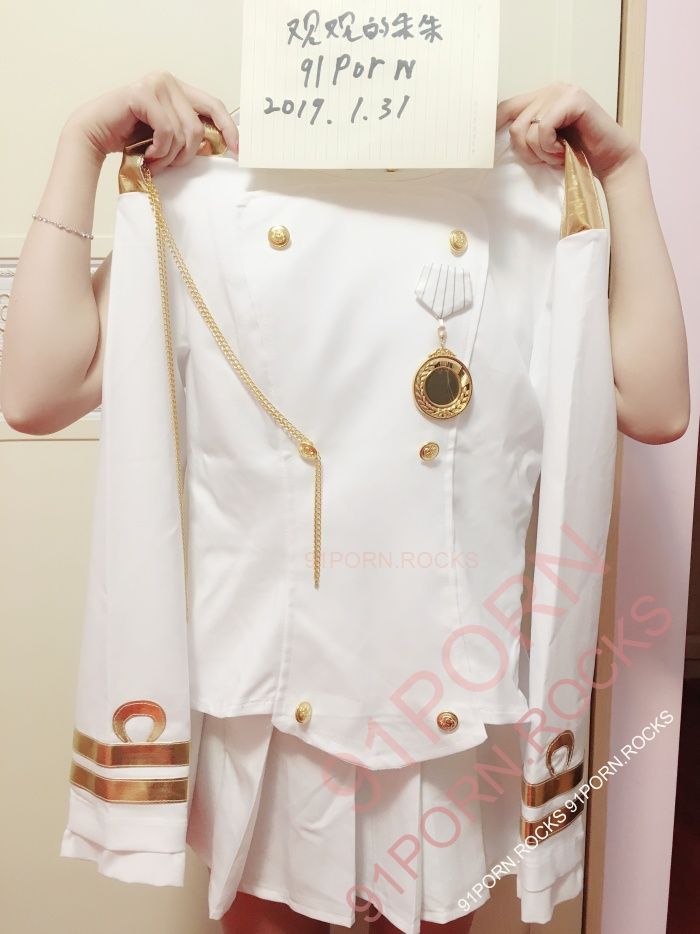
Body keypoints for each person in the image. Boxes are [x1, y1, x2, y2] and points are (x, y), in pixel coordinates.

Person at [0, 71, 690, 934]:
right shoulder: (206, 202)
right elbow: (35, 393)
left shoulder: (524, 203)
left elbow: (657, 407)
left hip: (449, 683)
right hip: (265, 697)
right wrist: (81, 144)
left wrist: (622, 173)